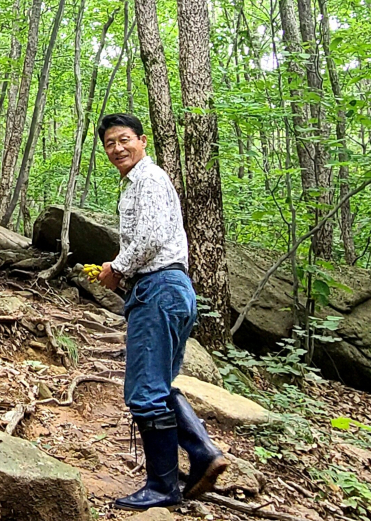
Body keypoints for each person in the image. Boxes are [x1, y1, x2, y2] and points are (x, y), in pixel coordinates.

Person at [93, 113, 228, 509]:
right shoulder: (139, 183)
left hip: (158, 288)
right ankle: (203, 454)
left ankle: (162, 487)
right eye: (109, 144)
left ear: (142, 141)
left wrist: (117, 268)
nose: (117, 148)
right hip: (171, 290)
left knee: (144, 392)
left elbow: (151, 237)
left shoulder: (149, 179)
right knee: (160, 385)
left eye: (124, 139)